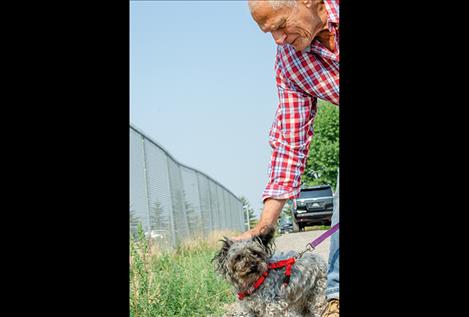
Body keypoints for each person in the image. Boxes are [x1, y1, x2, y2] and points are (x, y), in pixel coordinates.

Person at [232, 1, 340, 315]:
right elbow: (290, 145)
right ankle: (337, 296)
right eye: (269, 33)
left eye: (280, 25)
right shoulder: (290, 63)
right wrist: (265, 225)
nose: (278, 39)